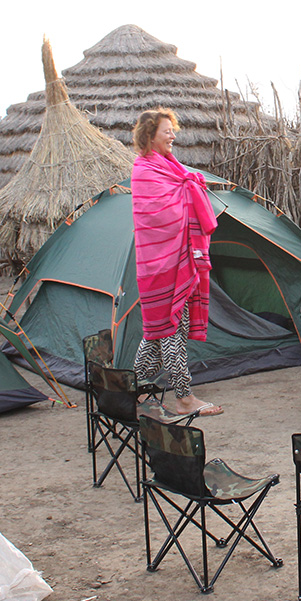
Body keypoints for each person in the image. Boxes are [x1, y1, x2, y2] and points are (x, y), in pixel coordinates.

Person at [130, 108, 223, 417]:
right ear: (149, 135)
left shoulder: (171, 167)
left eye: (173, 130)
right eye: (166, 131)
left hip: (175, 261)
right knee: (172, 329)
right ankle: (184, 398)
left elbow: (181, 195)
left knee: (158, 331)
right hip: (160, 266)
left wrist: (190, 186)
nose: (173, 135)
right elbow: (162, 218)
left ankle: (132, 390)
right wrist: (189, 190)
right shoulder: (144, 171)